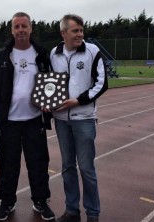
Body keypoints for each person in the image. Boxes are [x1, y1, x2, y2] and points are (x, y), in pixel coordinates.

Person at [0, 12, 55, 221]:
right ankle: (7, 202)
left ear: (31, 28)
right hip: (8, 122)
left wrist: (48, 104)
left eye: (24, 26)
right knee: (8, 164)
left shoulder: (42, 54)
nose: (20, 30)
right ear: (11, 30)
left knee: (38, 162)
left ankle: (41, 201)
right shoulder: (1, 56)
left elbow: (50, 85)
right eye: (16, 27)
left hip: (34, 120)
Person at [50, 14, 108, 222]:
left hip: (84, 118)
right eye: (75, 31)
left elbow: (101, 83)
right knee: (67, 167)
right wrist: (48, 105)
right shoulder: (53, 54)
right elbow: (50, 85)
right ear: (63, 33)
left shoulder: (92, 51)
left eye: (82, 30)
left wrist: (79, 100)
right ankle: (72, 211)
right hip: (61, 121)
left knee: (86, 168)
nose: (80, 34)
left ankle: (93, 214)